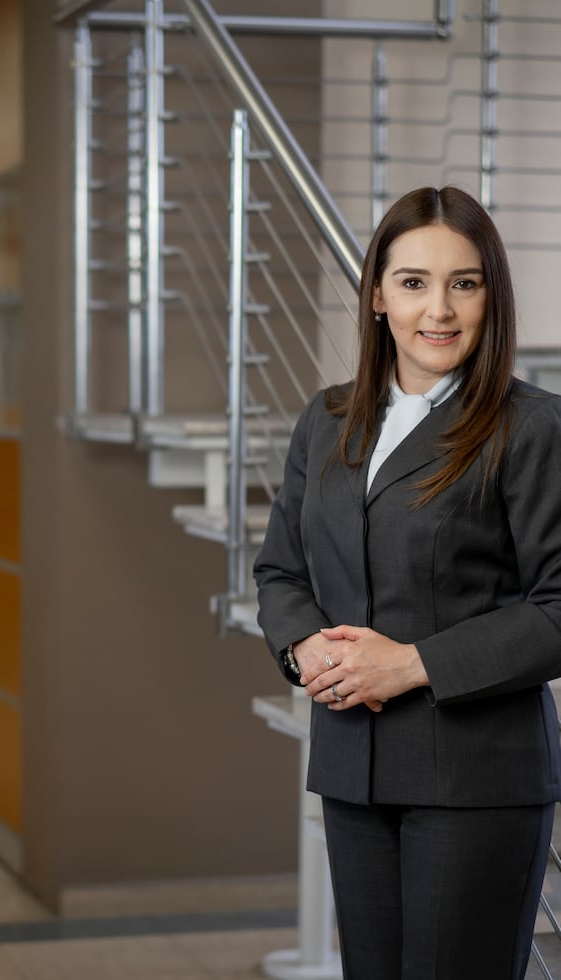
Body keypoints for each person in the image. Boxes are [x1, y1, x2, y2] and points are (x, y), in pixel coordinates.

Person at [254, 185, 561, 979]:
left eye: (466, 282)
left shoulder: (531, 428)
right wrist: (305, 646)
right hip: (355, 767)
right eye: (415, 282)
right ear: (378, 295)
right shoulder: (327, 419)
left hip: (474, 777)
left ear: (492, 295)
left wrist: (412, 663)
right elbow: (281, 569)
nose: (442, 310)